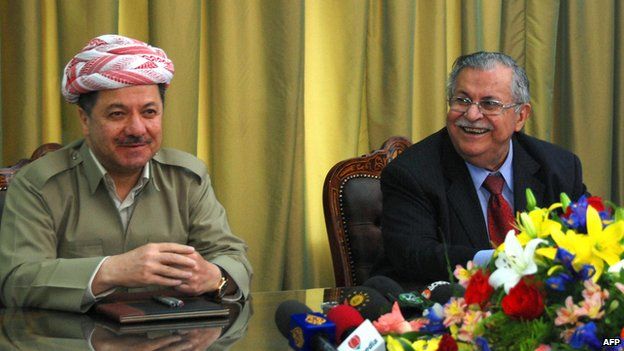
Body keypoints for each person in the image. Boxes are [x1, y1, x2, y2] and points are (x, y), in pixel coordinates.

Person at [0, 34, 252, 312]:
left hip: (172, 338)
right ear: (85, 120)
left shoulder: (187, 177)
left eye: (149, 112)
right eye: (117, 114)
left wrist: (214, 276)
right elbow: (16, 283)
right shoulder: (39, 184)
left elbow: (233, 258)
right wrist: (112, 270)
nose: (137, 129)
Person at [373, 51, 586, 286]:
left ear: (520, 116)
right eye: (462, 100)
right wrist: (496, 261)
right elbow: (415, 255)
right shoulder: (412, 173)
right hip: (451, 310)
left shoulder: (559, 167)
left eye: (489, 104)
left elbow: (586, 240)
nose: (472, 115)